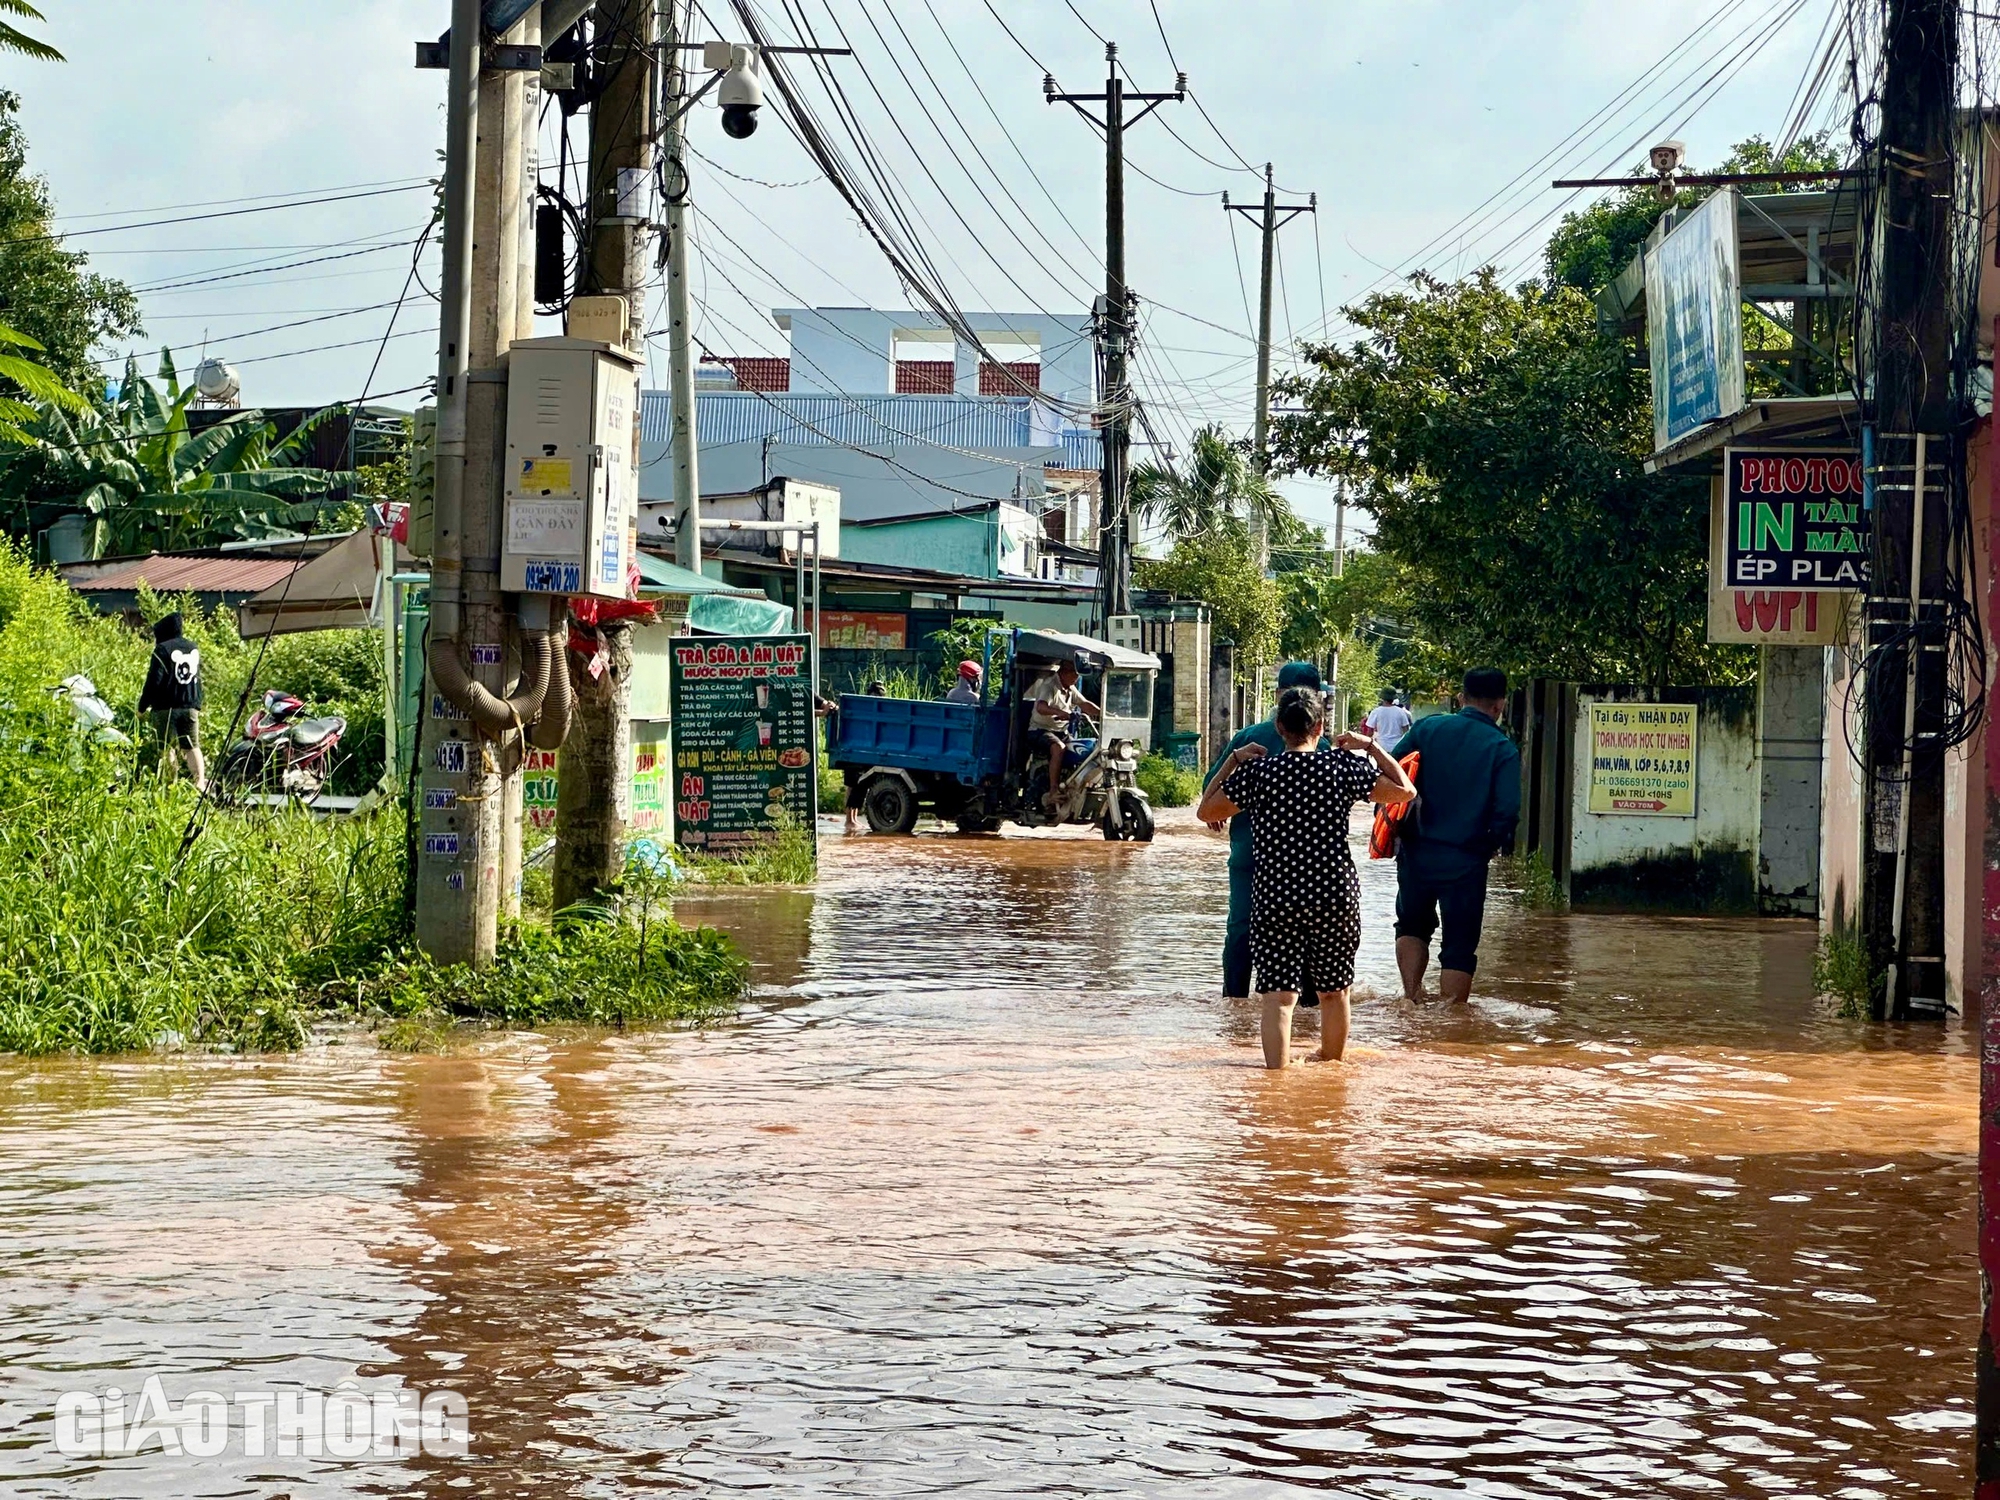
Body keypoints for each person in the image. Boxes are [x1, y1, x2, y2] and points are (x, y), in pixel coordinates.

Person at [1196, 685, 1415, 1068]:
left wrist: (1232, 759)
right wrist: (1371, 747)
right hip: (1334, 894)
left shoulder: (1260, 773)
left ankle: (1276, 1084)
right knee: (1334, 992)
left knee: (1278, 998)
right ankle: (1331, 1072)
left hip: (1275, 896)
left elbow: (1205, 811)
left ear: (1279, 727)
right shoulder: (1342, 767)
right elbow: (1404, 791)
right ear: (1321, 726)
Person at [1390, 667, 1522, 1005]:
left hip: (1416, 851)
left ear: (1462, 698)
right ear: (1500, 705)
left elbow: (1392, 772)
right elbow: (1507, 811)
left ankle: (1411, 998)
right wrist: (1487, 846)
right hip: (1467, 859)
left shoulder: (1428, 728)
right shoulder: (1501, 747)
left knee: (1411, 925)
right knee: (1459, 945)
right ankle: (1450, 1024)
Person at [1203, 661, 1330, 1005]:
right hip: (1285, 862)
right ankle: (1279, 1006)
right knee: (1279, 932)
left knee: (1244, 929)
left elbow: (1209, 801)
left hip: (1262, 857)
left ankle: (1242, 1005)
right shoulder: (1314, 746)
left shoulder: (1257, 741)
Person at [138, 611, 206, 791]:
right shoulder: (193, 648)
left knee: (167, 748)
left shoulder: (162, 650)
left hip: (165, 708)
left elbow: (154, 680)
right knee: (192, 746)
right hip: (190, 706)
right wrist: (198, 703)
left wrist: (142, 706)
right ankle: (200, 784)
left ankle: (170, 786)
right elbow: (198, 678)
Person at [1026, 656, 1098, 808]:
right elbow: (1041, 707)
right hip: (1040, 730)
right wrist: (1062, 713)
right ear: (1064, 672)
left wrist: (1105, 713)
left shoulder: (1070, 688)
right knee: (1059, 748)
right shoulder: (1049, 685)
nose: (1077, 677)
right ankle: (1053, 791)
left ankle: (1076, 786)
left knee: (1088, 749)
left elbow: (1084, 704)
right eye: (1074, 673)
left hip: (1060, 732)